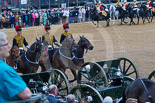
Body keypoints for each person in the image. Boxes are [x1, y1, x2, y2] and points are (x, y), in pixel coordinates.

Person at [0, 32, 32, 102]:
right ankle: (16, 65)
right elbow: (26, 94)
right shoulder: (6, 70)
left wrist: (27, 46)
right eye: (6, 44)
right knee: (15, 57)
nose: (9, 46)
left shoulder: (22, 37)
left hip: (21, 49)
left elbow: (25, 43)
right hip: (17, 49)